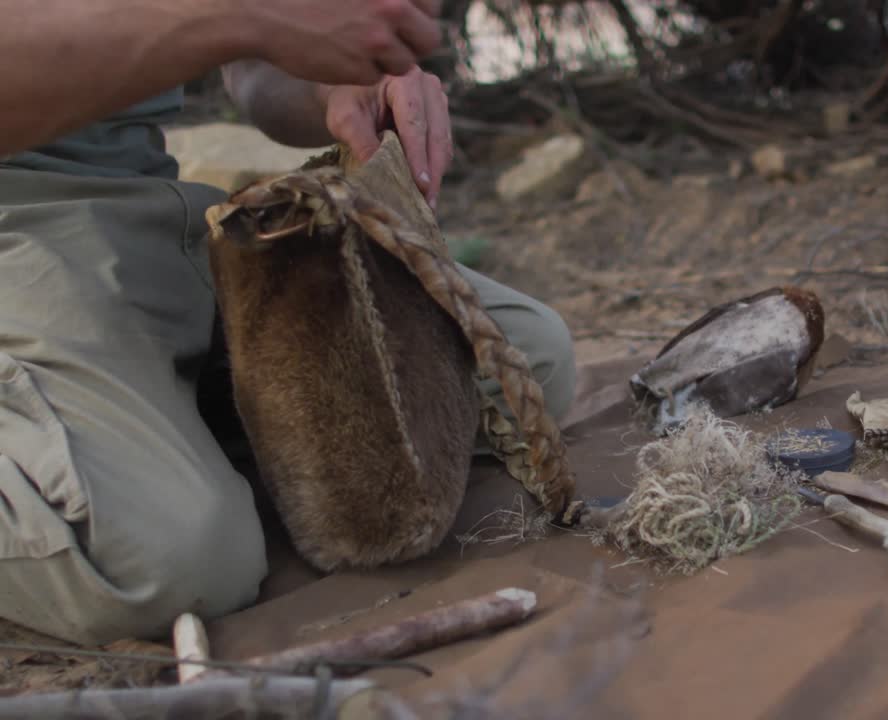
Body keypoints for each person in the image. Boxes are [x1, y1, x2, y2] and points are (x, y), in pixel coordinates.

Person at [0, 0, 575, 646]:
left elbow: (253, 72)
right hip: (23, 231)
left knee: (524, 367)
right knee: (170, 564)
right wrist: (244, 16)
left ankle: (145, 447)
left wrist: (342, 81)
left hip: (155, 207)